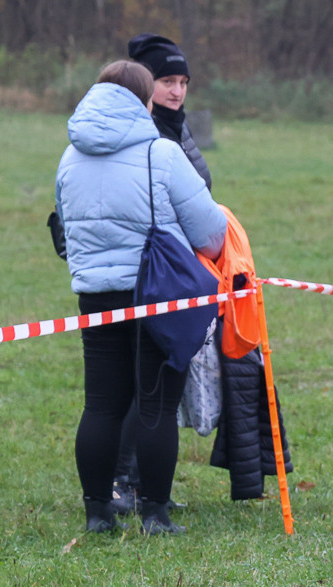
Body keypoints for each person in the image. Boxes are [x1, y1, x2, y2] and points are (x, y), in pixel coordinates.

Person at [55, 60, 227, 535]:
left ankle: (97, 513)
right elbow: (211, 232)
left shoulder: (70, 157)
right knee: (155, 405)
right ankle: (154, 513)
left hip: (94, 295)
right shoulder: (162, 153)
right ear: (144, 99)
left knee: (102, 405)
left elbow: (65, 230)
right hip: (155, 294)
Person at [105, 33, 213, 514]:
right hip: (150, 275)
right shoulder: (145, 135)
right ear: (144, 85)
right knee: (144, 387)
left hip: (176, 270)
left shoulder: (175, 125)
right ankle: (124, 483)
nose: (176, 90)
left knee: (148, 385)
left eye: (183, 81)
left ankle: (131, 481)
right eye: (166, 80)